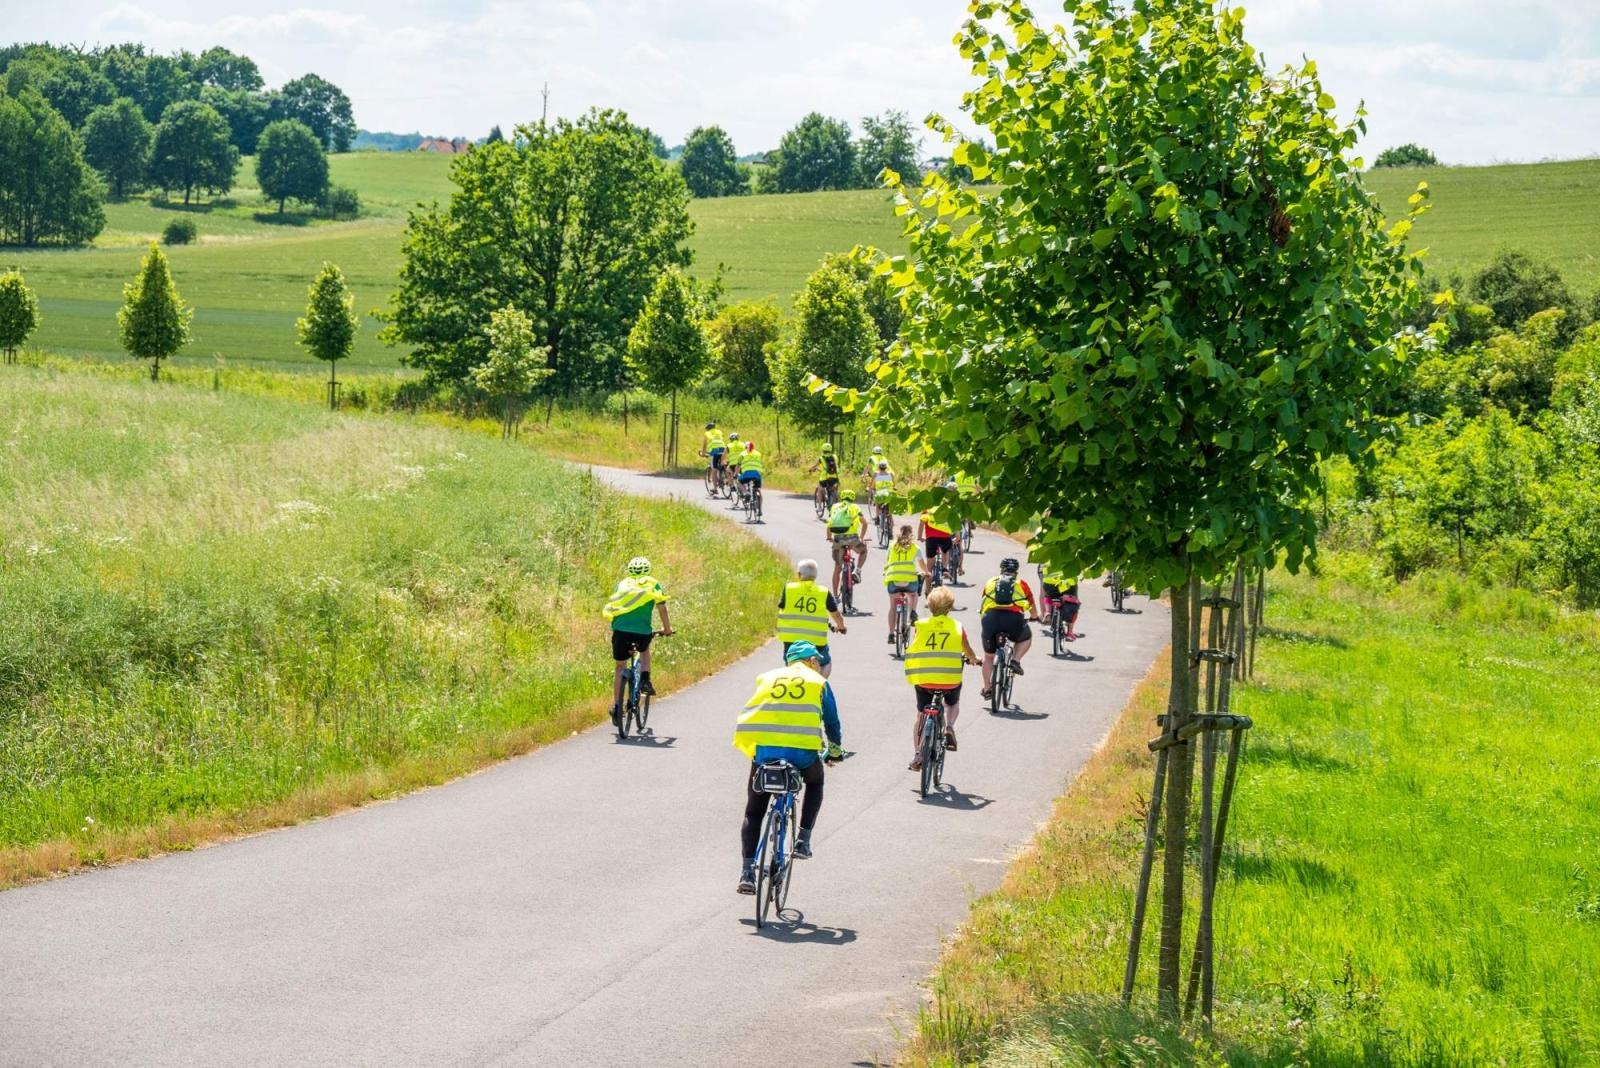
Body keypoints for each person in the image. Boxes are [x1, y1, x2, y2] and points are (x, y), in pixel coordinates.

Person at [735, 640, 843, 894]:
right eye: (816, 661)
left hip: (765, 753)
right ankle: (803, 840)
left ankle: (747, 871)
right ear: (811, 662)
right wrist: (835, 750)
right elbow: (832, 721)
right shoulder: (819, 683)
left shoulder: (768, 678)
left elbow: (753, 711)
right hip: (801, 753)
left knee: (753, 813)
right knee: (815, 782)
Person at [904, 587, 977, 769]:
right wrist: (974, 659)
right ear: (950, 607)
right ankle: (950, 726)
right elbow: (966, 649)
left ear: (929, 606)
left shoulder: (920, 625)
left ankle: (918, 754)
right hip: (949, 678)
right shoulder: (957, 627)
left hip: (923, 677)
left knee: (921, 713)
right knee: (952, 703)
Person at [602, 557, 674, 724]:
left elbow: (615, 604)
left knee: (620, 667)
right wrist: (667, 629)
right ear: (648, 570)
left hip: (620, 630)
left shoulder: (622, 584)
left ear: (629, 570)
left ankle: (618, 707)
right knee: (644, 650)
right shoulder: (654, 584)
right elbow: (662, 609)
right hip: (642, 632)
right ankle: (645, 681)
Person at [979, 557, 1038, 701]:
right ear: (1016, 572)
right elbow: (1031, 603)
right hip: (1013, 619)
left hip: (990, 619)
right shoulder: (1022, 584)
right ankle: (1016, 660)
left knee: (988, 657)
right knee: (1026, 637)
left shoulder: (990, 582)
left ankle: (987, 688)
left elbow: (983, 601)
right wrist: (1035, 617)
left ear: (1001, 569)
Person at [776, 558, 846, 677]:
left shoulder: (789, 589)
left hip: (791, 640)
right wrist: (841, 627)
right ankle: (820, 686)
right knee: (825, 662)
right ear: (815, 576)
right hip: (816, 642)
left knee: (790, 663)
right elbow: (836, 614)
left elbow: (781, 606)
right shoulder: (823, 592)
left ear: (799, 574)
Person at [883, 524, 928, 643]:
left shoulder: (892, 546)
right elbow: (923, 565)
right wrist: (927, 572)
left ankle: (891, 634)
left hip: (893, 580)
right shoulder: (915, 547)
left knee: (892, 606)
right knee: (914, 594)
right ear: (911, 534)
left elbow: (887, 561)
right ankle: (913, 612)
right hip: (909, 580)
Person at [826, 489, 868, 596]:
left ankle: (835, 596)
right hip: (852, 538)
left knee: (837, 568)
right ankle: (857, 570)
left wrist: (829, 537)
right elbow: (865, 523)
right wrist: (862, 537)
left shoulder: (835, 507)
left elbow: (829, 524)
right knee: (863, 551)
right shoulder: (855, 507)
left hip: (838, 539)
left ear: (841, 497)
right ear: (853, 498)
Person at [1039, 562, 1081, 641]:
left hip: (1050, 583)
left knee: (1047, 595)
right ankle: (1070, 632)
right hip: (1068, 584)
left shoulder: (1048, 551)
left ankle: (1047, 612)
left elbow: (1042, 567)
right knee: (1073, 601)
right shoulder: (1073, 552)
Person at [919, 504, 955, 583]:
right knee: (945, 551)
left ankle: (927, 589)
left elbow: (921, 524)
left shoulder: (927, 510)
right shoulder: (946, 509)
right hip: (945, 537)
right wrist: (958, 537)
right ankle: (945, 569)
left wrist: (919, 537)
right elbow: (954, 523)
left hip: (931, 538)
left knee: (929, 565)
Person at [701, 421, 727, 488]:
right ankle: (726, 478)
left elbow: (704, 445)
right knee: (722, 464)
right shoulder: (719, 432)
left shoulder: (707, 433)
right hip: (723, 449)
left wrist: (703, 453)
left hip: (714, 451)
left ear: (708, 428)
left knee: (714, 469)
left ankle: (715, 488)